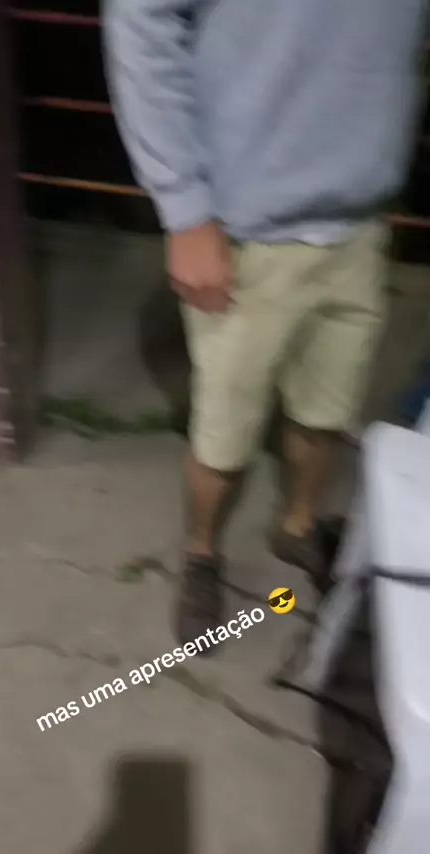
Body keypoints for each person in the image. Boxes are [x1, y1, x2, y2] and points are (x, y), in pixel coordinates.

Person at [103, 0, 424, 648]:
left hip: (361, 219)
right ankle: (201, 553)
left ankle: (298, 527)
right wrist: (186, 213)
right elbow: (139, 20)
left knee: (327, 409)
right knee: (225, 430)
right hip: (248, 230)